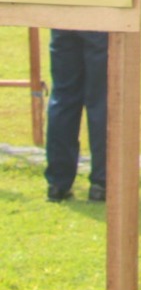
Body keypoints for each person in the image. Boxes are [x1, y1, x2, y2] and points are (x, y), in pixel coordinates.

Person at [44, 29, 109, 203]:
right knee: (102, 99)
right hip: (103, 16)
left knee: (63, 96)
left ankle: (58, 184)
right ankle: (102, 183)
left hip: (64, 14)